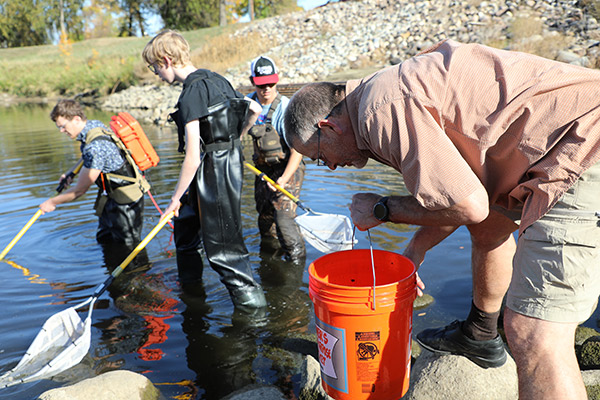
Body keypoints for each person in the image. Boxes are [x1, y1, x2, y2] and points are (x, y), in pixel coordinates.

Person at [283, 39, 600, 399]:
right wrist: (415, 251)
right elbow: (464, 194)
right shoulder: (380, 96)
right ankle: (480, 333)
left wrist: (382, 208)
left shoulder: (380, 111)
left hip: (581, 146)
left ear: (329, 127)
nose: (329, 166)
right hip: (563, 138)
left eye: (319, 155)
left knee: (536, 334)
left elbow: (467, 206)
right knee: (489, 227)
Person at [142, 30, 267, 310]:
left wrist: (173, 198)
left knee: (224, 251)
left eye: (155, 68)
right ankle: (192, 296)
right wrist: (235, 138)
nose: (156, 74)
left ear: (166, 60)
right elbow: (255, 109)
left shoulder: (191, 92)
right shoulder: (217, 79)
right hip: (227, 158)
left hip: (214, 170)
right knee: (186, 231)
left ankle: (255, 316)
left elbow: (193, 156)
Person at [41, 99, 148, 247]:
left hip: (126, 202)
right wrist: (72, 172)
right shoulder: (93, 126)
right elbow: (88, 156)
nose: (61, 131)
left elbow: (80, 190)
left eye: (63, 126)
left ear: (76, 119)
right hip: (110, 198)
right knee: (104, 239)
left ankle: (138, 270)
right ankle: (109, 268)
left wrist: (52, 202)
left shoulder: (95, 147)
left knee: (127, 248)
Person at [247, 55, 306, 263]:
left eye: (271, 83)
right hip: (263, 171)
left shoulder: (286, 108)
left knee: (284, 219)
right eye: (261, 84)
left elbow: (297, 151)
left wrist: (283, 179)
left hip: (288, 166)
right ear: (252, 81)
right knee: (265, 220)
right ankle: (271, 263)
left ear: (277, 80)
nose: (267, 89)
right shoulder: (247, 105)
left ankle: (296, 262)